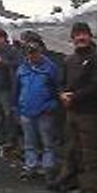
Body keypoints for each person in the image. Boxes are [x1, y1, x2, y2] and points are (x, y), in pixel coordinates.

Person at [55, 22, 97, 193]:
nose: (80, 38)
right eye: (77, 35)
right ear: (72, 38)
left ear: (90, 36)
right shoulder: (69, 60)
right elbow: (61, 82)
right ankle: (82, 188)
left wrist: (74, 96)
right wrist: (62, 94)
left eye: (84, 34)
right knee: (75, 152)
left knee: (90, 156)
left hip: (90, 114)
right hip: (72, 113)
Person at [16, 40, 63, 180]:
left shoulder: (51, 68)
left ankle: (47, 168)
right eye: (29, 53)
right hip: (26, 111)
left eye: (35, 52)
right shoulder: (22, 69)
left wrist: (52, 105)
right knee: (29, 142)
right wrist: (16, 107)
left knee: (47, 142)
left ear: (40, 52)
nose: (32, 56)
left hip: (44, 112)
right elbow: (17, 89)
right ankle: (31, 166)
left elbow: (58, 89)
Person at [0, 30, 22, 149]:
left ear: (2, 38)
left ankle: (10, 139)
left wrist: (2, 62)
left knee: (8, 114)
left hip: (7, 87)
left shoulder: (11, 50)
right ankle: (0, 136)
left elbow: (17, 64)